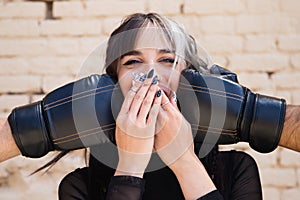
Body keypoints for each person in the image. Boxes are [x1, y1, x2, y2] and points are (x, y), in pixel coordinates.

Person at [0, 12, 298, 199]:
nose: (152, 75)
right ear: (111, 84)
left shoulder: (238, 170)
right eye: (133, 61)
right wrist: (129, 167)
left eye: (168, 60)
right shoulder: (80, 187)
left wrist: (184, 161)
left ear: (192, 79)